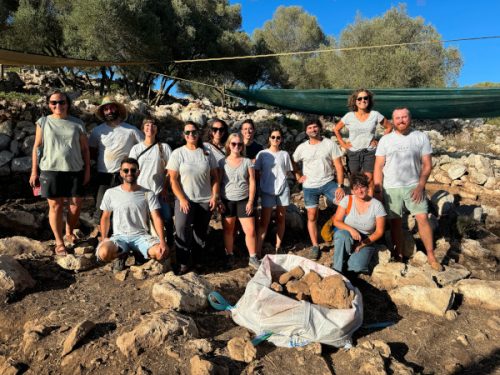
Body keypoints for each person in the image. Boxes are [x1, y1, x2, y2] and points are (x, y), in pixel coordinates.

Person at [374, 107, 442, 271]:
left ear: (410, 118)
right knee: (396, 222)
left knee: (422, 218)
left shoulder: (420, 137)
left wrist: (420, 186)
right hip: (391, 187)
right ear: (393, 120)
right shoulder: (385, 140)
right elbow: (378, 166)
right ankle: (399, 254)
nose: (401, 120)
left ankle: (431, 255)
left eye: (404, 117)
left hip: (414, 186)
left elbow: (427, 164)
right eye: (397, 118)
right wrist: (378, 191)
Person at [29, 90, 90, 256]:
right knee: (55, 206)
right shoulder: (43, 122)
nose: (58, 105)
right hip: (50, 169)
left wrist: (87, 171)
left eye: (62, 102)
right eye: (53, 102)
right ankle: (59, 241)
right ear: (49, 105)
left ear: (68, 104)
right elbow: (37, 146)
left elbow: (85, 149)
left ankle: (69, 230)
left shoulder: (77, 123)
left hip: (75, 169)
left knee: (76, 204)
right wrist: (34, 171)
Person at [96, 158, 168, 270]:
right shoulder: (111, 193)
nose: (129, 173)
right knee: (103, 253)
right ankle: (121, 255)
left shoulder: (148, 193)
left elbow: (156, 218)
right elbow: (105, 217)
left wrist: (162, 241)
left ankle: (140, 253)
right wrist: (104, 237)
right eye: (126, 170)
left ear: (138, 172)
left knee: (161, 253)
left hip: (141, 236)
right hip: (119, 237)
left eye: (133, 170)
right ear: (121, 172)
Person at [167, 121, 219, 274]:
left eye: (194, 132)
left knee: (200, 232)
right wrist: (182, 199)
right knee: (182, 229)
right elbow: (173, 179)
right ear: (184, 135)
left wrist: (215, 196)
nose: (191, 135)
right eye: (188, 132)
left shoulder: (207, 152)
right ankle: (183, 262)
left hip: (205, 199)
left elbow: (215, 177)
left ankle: (197, 262)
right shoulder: (178, 153)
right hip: (185, 199)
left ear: (199, 133)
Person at [293, 118, 345, 260]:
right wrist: (298, 176)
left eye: (315, 127)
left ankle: (335, 229)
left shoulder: (329, 144)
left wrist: (340, 186)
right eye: (309, 128)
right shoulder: (302, 148)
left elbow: (339, 166)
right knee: (311, 215)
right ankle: (315, 245)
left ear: (319, 128)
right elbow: (292, 161)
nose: (313, 130)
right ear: (306, 131)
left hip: (328, 182)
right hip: (310, 186)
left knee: (345, 204)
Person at [89, 97, 143, 222]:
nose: (109, 111)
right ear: (103, 112)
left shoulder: (131, 130)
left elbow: (144, 147)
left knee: (124, 206)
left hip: (125, 175)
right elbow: (91, 151)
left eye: (112, 107)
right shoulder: (97, 131)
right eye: (106, 109)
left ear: (117, 109)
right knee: (101, 207)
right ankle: (101, 236)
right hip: (103, 174)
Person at [333, 89, 392, 195]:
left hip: (369, 152)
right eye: (359, 98)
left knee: (369, 180)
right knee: (355, 181)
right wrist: (343, 144)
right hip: (353, 152)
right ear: (355, 101)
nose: (363, 100)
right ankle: (356, 206)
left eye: (365, 98)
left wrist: (380, 141)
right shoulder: (349, 116)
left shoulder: (375, 114)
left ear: (369, 100)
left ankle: (370, 206)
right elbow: (336, 129)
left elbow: (389, 126)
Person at [129, 117, 173, 245]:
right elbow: (130, 170)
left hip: (159, 192)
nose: (150, 128)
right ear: (143, 129)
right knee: (143, 221)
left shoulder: (163, 148)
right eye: (147, 125)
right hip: (141, 192)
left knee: (167, 218)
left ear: (157, 129)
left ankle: (169, 245)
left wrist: (165, 188)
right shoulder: (136, 149)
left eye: (153, 125)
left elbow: (170, 170)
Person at [219, 133, 259, 269]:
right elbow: (218, 182)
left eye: (239, 144)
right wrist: (219, 200)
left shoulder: (247, 161)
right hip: (227, 200)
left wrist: (251, 201)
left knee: (250, 230)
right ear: (229, 145)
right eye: (233, 144)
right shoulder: (222, 162)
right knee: (228, 230)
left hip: (244, 199)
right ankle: (229, 254)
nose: (236, 146)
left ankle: (253, 257)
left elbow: (252, 181)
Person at [332, 173, 386, 275]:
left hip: (367, 239)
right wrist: (351, 230)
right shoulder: (347, 199)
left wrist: (362, 244)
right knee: (341, 235)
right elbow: (336, 221)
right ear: (352, 191)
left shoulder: (377, 205)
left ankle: (349, 260)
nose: (360, 191)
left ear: (368, 188)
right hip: (349, 235)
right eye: (356, 188)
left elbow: (379, 231)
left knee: (356, 267)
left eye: (362, 187)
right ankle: (336, 270)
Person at [255, 128, 293, 254]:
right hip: (267, 189)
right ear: (269, 138)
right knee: (264, 221)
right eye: (273, 137)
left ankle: (278, 247)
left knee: (281, 219)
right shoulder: (262, 154)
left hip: (282, 188)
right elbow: (256, 171)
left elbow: (287, 171)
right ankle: (258, 250)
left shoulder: (285, 154)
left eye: (278, 137)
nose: (275, 139)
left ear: (281, 139)